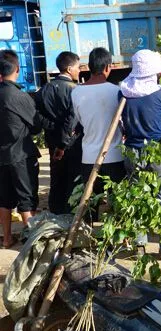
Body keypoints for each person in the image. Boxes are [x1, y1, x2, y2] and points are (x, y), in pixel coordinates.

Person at [120, 49, 161, 259]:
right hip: (158, 150)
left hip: (133, 150)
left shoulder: (124, 92)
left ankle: (139, 245)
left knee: (137, 197)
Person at [71, 47, 126, 222]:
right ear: (108, 67)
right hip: (114, 155)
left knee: (89, 202)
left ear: (88, 67)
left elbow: (79, 119)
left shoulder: (76, 92)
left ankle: (88, 237)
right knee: (117, 202)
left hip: (89, 156)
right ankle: (115, 238)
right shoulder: (116, 91)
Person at [0, 50, 46, 248]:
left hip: (1, 157)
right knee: (26, 200)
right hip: (21, 156)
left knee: (4, 200)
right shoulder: (19, 96)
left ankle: (7, 239)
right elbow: (36, 126)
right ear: (17, 69)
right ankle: (33, 245)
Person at [35, 51, 82, 215]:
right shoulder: (74, 90)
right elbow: (72, 119)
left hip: (53, 142)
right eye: (77, 67)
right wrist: (64, 142)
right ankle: (71, 215)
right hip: (71, 143)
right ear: (69, 69)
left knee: (56, 180)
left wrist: (52, 126)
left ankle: (55, 213)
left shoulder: (43, 90)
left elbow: (38, 116)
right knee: (73, 179)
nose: (79, 71)